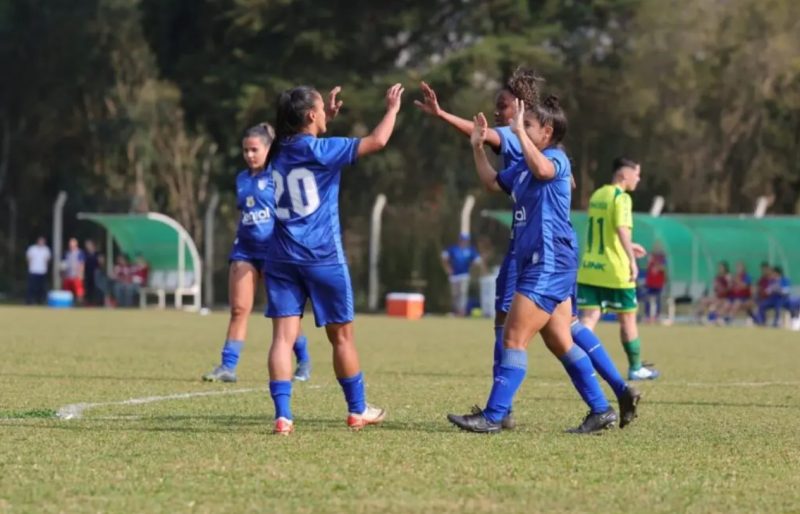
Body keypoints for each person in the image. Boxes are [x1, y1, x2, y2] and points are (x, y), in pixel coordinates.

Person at [419, 71, 638, 430]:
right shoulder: (521, 169)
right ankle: (602, 409)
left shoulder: (555, 158)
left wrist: (518, 132)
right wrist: (476, 147)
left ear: (545, 132)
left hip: (549, 259)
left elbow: (545, 168)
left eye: (525, 122)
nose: (513, 122)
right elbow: (492, 182)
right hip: (534, 257)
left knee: (514, 336)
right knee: (560, 340)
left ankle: (494, 416)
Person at [263, 83, 403, 435]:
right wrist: (392, 110)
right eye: (322, 109)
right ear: (311, 115)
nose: (326, 111)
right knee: (342, 339)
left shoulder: (277, 150)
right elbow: (377, 141)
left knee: (282, 339)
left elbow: (307, 147)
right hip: (322, 257)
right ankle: (357, 410)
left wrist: (324, 122)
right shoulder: (324, 149)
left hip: (280, 257)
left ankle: (283, 416)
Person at [203, 123, 311, 384]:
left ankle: (304, 360)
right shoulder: (242, 179)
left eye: (255, 149)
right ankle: (228, 366)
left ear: (267, 149)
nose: (249, 155)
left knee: (283, 312)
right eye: (245, 150)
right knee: (239, 309)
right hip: (245, 250)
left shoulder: (279, 173)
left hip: (276, 252)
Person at [577, 158, 660, 381]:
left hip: (590, 268)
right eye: (637, 174)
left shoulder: (598, 195)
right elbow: (622, 230)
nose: (638, 179)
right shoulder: (621, 198)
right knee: (628, 318)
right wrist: (632, 259)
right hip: (615, 270)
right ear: (624, 175)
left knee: (589, 318)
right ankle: (635, 368)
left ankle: (578, 364)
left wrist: (629, 246)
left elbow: (604, 231)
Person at [441, 233, 485, 316]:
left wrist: (471, 267)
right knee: (454, 294)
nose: (464, 242)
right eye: (463, 240)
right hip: (454, 275)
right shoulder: (453, 249)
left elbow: (478, 261)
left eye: (466, 240)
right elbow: (444, 257)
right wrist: (447, 268)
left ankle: (461, 311)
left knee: (463, 293)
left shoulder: (471, 250)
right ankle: (455, 310)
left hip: (464, 275)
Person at [643, 243, 667, 322]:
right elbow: (648, 269)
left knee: (658, 300)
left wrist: (656, 263)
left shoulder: (662, 259)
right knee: (647, 299)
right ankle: (647, 315)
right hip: (650, 283)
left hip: (658, 284)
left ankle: (657, 315)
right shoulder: (650, 258)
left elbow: (663, 269)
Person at [25, 236, 51, 305]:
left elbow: (47, 260)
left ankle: (41, 300)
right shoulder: (32, 249)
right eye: (40, 241)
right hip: (33, 271)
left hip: (42, 271)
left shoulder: (46, 249)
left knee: (42, 287)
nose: (41, 242)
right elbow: (28, 259)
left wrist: (45, 268)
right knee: (32, 287)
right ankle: (30, 301)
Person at [61, 237, 85, 304]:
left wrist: (81, 274)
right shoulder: (66, 253)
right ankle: (68, 304)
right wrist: (63, 275)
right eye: (70, 244)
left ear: (76, 244)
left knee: (79, 291)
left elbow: (82, 264)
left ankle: (79, 303)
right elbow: (63, 264)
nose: (71, 245)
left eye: (72, 244)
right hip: (68, 276)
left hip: (76, 276)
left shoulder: (79, 253)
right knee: (67, 291)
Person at [83, 240, 100, 306]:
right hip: (87, 273)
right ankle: (88, 302)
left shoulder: (97, 254)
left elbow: (99, 264)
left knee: (94, 288)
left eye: (89, 244)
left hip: (95, 273)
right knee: (87, 288)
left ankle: (94, 302)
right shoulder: (85, 254)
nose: (87, 246)